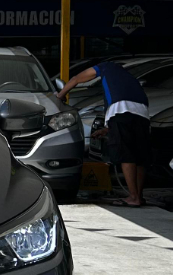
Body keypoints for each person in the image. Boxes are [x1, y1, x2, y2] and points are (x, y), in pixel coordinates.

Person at [58, 60, 151, 207]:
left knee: (126, 155)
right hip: (143, 114)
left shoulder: (106, 67)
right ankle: (139, 196)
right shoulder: (129, 79)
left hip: (121, 112)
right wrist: (106, 129)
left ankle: (133, 197)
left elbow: (76, 78)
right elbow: (128, 114)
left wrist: (60, 96)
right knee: (139, 157)